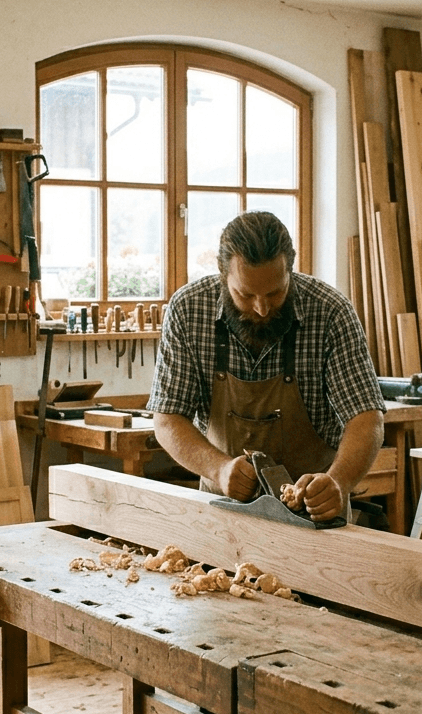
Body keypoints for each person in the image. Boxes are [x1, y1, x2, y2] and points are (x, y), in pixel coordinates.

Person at [149, 211, 385, 522]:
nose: (261, 308)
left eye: (275, 293)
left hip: (314, 512)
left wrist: (339, 481)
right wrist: (218, 469)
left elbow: (367, 418)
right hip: (223, 507)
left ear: (290, 269)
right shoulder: (187, 311)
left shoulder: (330, 312)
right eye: (245, 295)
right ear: (223, 274)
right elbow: (167, 419)